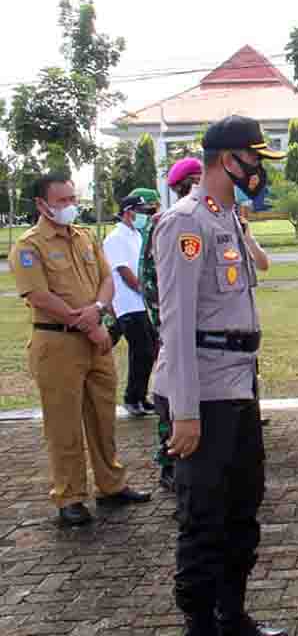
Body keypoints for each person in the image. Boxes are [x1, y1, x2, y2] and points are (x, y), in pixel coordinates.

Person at [153, 115, 286, 636]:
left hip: (236, 385)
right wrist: (183, 412)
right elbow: (177, 323)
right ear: (228, 160)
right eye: (254, 160)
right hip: (201, 392)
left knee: (242, 509)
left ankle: (233, 616)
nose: (259, 170)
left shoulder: (228, 218)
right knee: (203, 517)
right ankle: (200, 623)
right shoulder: (187, 222)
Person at [10, 174, 151, 527]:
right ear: (42, 204)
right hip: (57, 343)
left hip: (96, 340)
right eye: (62, 201)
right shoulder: (29, 246)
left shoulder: (86, 237)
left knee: (103, 418)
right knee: (64, 425)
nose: (70, 205)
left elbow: (106, 280)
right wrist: (88, 322)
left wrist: (100, 311)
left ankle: (111, 485)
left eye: (73, 198)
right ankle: (70, 496)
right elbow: (38, 295)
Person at [142, 158, 203, 491]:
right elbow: (152, 278)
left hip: (183, 321)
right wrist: (164, 322)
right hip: (171, 321)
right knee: (171, 388)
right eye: (195, 179)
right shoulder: (168, 221)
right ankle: (169, 461)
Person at [104, 189, 160, 417]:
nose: (146, 216)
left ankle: (140, 396)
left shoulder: (137, 236)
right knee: (142, 350)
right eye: (143, 212)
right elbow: (124, 271)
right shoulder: (115, 238)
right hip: (127, 304)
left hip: (141, 304)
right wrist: (144, 290)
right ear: (128, 212)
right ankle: (131, 398)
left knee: (149, 351)